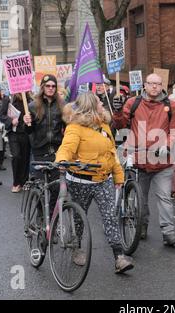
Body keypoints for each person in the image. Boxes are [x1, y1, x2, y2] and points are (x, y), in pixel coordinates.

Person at [56, 92, 134, 274]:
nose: (102, 105)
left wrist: (118, 176)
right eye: (99, 103)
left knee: (110, 216)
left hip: (103, 180)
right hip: (80, 180)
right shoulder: (75, 128)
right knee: (79, 217)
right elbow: (67, 148)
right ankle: (76, 248)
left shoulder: (105, 126)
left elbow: (111, 154)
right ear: (91, 106)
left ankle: (119, 256)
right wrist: (61, 160)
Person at [112, 73, 175, 247]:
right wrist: (118, 111)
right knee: (139, 199)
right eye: (151, 83)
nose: (154, 87)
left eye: (157, 84)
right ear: (145, 85)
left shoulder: (170, 105)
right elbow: (121, 125)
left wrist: (167, 145)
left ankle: (168, 233)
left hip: (162, 162)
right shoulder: (133, 102)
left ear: (162, 86)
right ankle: (140, 226)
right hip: (139, 160)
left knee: (165, 198)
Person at [24, 75, 65, 211]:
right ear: (42, 87)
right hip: (39, 151)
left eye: (53, 86)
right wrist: (26, 122)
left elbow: (69, 126)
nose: (51, 88)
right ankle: (42, 216)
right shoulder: (32, 106)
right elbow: (28, 131)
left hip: (57, 151)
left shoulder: (62, 105)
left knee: (56, 187)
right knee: (41, 188)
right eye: (48, 86)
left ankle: (52, 216)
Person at [0, 93, 32, 193]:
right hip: (14, 133)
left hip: (26, 133)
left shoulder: (29, 100)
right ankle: (16, 182)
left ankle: (24, 181)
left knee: (25, 157)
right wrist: (11, 120)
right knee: (16, 156)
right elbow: (1, 115)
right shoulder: (9, 99)